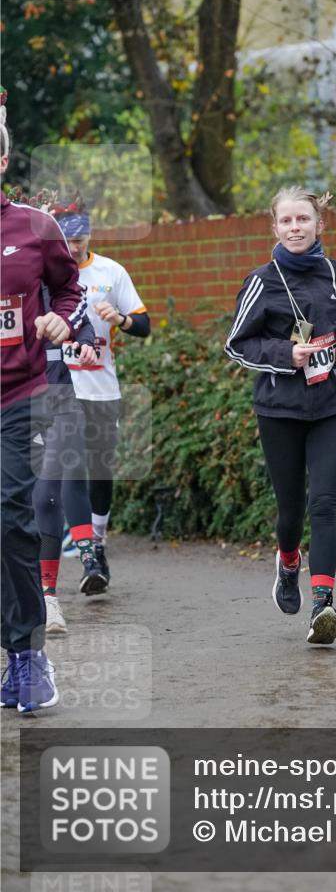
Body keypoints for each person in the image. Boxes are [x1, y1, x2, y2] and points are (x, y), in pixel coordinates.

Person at [225, 187, 336, 644]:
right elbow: (237, 343)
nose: (295, 228)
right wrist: (286, 353)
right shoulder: (261, 281)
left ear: (319, 225)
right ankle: (288, 563)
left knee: (323, 504)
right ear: (274, 228)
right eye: (286, 221)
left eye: (303, 220)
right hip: (280, 409)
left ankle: (323, 607)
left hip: (332, 405)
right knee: (290, 510)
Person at [0, 89, 87, 712]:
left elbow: (68, 288)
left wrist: (61, 321)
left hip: (18, 395)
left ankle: (28, 656)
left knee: (10, 517)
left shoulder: (35, 226)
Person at [57, 204, 150, 585]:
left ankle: (97, 541)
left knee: (100, 471)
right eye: (66, 239)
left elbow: (143, 325)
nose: (73, 247)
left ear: (90, 235)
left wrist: (121, 319)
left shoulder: (111, 272)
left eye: (79, 239)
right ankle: (88, 558)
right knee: (71, 466)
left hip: (102, 388)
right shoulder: (44, 272)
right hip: (60, 386)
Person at [34, 279, 103, 637]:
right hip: (13, 404)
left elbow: (83, 323)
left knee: (48, 493)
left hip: (60, 401)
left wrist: (87, 345)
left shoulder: (56, 287)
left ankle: (47, 597)